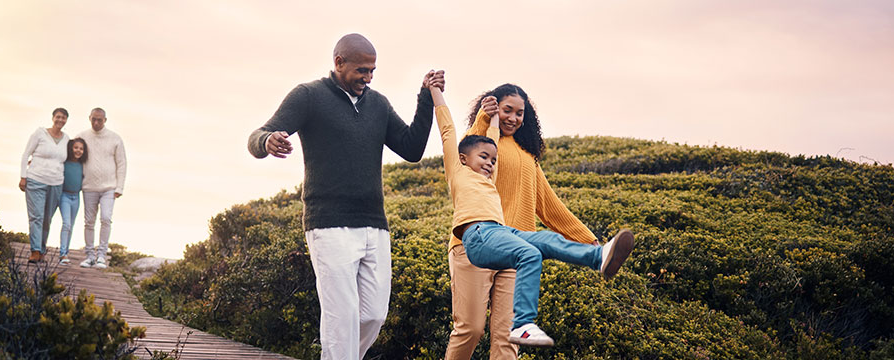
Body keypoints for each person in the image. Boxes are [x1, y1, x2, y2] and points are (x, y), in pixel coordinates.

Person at [246, 33, 437, 359]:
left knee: (373, 314)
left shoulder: (377, 104)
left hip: (374, 224)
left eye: (373, 71)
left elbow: (411, 149)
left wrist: (426, 99)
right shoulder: (308, 96)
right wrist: (267, 142)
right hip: (329, 224)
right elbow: (257, 136)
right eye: (362, 70)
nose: (368, 77)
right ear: (338, 62)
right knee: (341, 316)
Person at [427, 76, 635, 348]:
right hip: (474, 246)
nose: (513, 118)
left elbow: (550, 206)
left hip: (514, 244)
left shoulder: (527, 158)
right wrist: (482, 117)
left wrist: (588, 239)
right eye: (507, 110)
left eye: (519, 113)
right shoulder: (475, 151)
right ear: (493, 109)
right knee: (470, 330)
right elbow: (464, 144)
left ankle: (598, 256)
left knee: (507, 338)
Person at [20, 107, 70, 263]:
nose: (60, 120)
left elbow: (70, 159)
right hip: (36, 179)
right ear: (53, 117)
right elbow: (25, 154)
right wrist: (23, 176)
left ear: (66, 120)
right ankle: (35, 250)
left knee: (47, 218)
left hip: (56, 183)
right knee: (37, 217)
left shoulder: (67, 139)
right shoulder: (40, 133)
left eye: (63, 118)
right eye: (58, 117)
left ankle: (42, 249)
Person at [78, 107, 127, 269]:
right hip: (88, 187)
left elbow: (122, 164)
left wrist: (119, 187)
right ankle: (90, 256)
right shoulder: (82, 137)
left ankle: (101, 256)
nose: (96, 122)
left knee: (106, 218)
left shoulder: (115, 139)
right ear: (89, 118)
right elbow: (69, 155)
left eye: (99, 119)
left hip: (109, 188)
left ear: (105, 120)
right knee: (89, 222)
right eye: (93, 119)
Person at [58, 137, 87, 265]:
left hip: (76, 197)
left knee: (71, 226)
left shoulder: (83, 165)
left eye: (81, 148)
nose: (78, 150)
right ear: (71, 148)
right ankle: (63, 254)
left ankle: (66, 252)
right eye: (76, 148)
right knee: (66, 224)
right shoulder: (64, 162)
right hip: (64, 196)